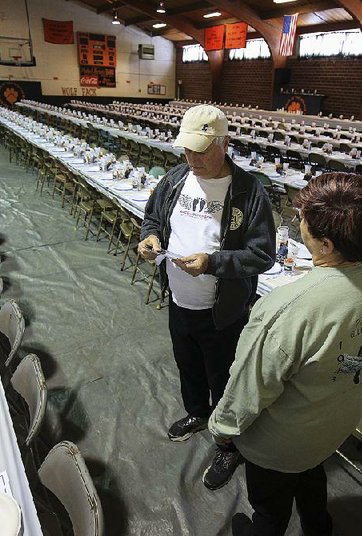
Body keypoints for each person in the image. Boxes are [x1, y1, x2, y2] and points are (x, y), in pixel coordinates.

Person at [209, 173, 362, 535]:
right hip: (338, 420)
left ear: (326, 244)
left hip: (282, 441)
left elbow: (248, 389)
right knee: (310, 472)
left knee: (270, 510)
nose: (298, 222)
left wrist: (223, 431)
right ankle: (318, 526)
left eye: (302, 219)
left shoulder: (288, 308)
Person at [138, 104, 275, 491]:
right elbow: (152, 219)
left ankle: (229, 444)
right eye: (187, 150)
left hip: (223, 312)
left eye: (201, 150)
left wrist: (213, 263)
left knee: (226, 379)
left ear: (224, 143)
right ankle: (197, 413)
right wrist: (151, 239)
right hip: (180, 302)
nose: (192, 158)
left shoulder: (249, 191)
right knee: (189, 366)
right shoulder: (176, 178)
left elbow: (262, 255)